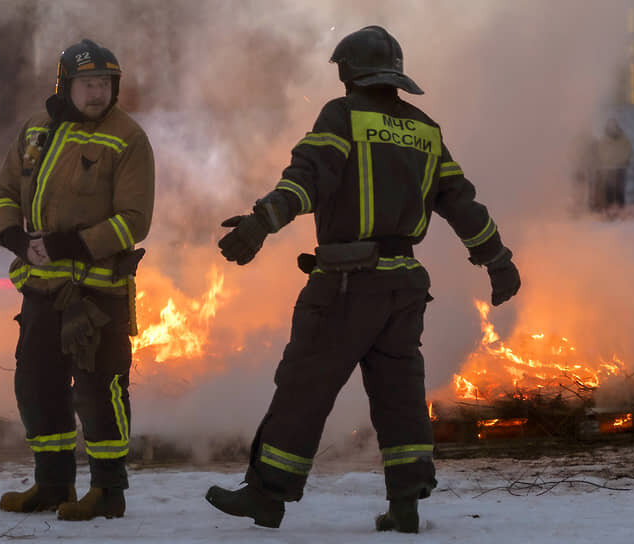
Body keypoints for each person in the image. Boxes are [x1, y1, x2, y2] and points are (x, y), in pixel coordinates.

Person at [205, 26, 521, 534]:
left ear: (349, 72)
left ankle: (267, 495)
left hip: (346, 285)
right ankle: (406, 502)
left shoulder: (343, 115)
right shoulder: (425, 130)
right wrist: (497, 260)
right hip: (404, 287)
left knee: (304, 385)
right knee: (399, 393)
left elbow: (307, 177)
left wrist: (261, 222)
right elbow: (462, 204)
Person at [0, 39, 155, 521]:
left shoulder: (128, 138)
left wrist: (69, 245)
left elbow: (134, 219)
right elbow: (2, 189)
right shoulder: (35, 131)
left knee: (100, 390)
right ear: (66, 85)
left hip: (96, 294)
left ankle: (108, 490)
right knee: (36, 386)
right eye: (88, 84)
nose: (98, 93)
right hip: (40, 288)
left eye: (106, 84)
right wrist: (15, 239)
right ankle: (52, 483)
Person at [595, 118, 632, 210]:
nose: (613, 128)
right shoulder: (604, 140)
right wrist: (606, 160)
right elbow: (600, 152)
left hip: (620, 168)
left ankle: (620, 210)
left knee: (620, 190)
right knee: (609, 190)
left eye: (614, 126)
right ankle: (609, 209)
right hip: (608, 168)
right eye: (611, 126)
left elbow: (628, 151)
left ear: (617, 127)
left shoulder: (624, 139)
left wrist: (622, 160)